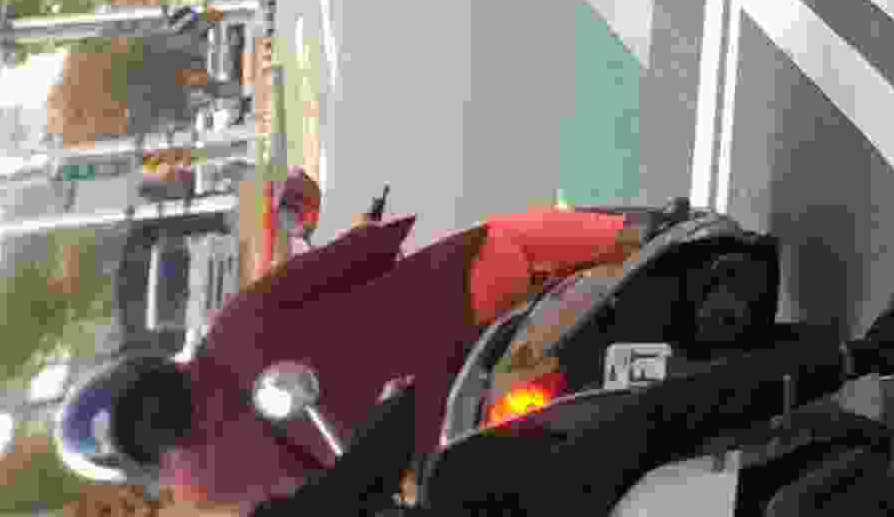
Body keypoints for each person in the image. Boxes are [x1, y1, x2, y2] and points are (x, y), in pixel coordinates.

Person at [55, 198, 663, 506]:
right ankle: (659, 235)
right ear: (144, 369)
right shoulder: (234, 327)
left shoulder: (212, 492)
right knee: (518, 238)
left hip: (442, 454)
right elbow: (357, 258)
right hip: (462, 311)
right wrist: (367, 233)